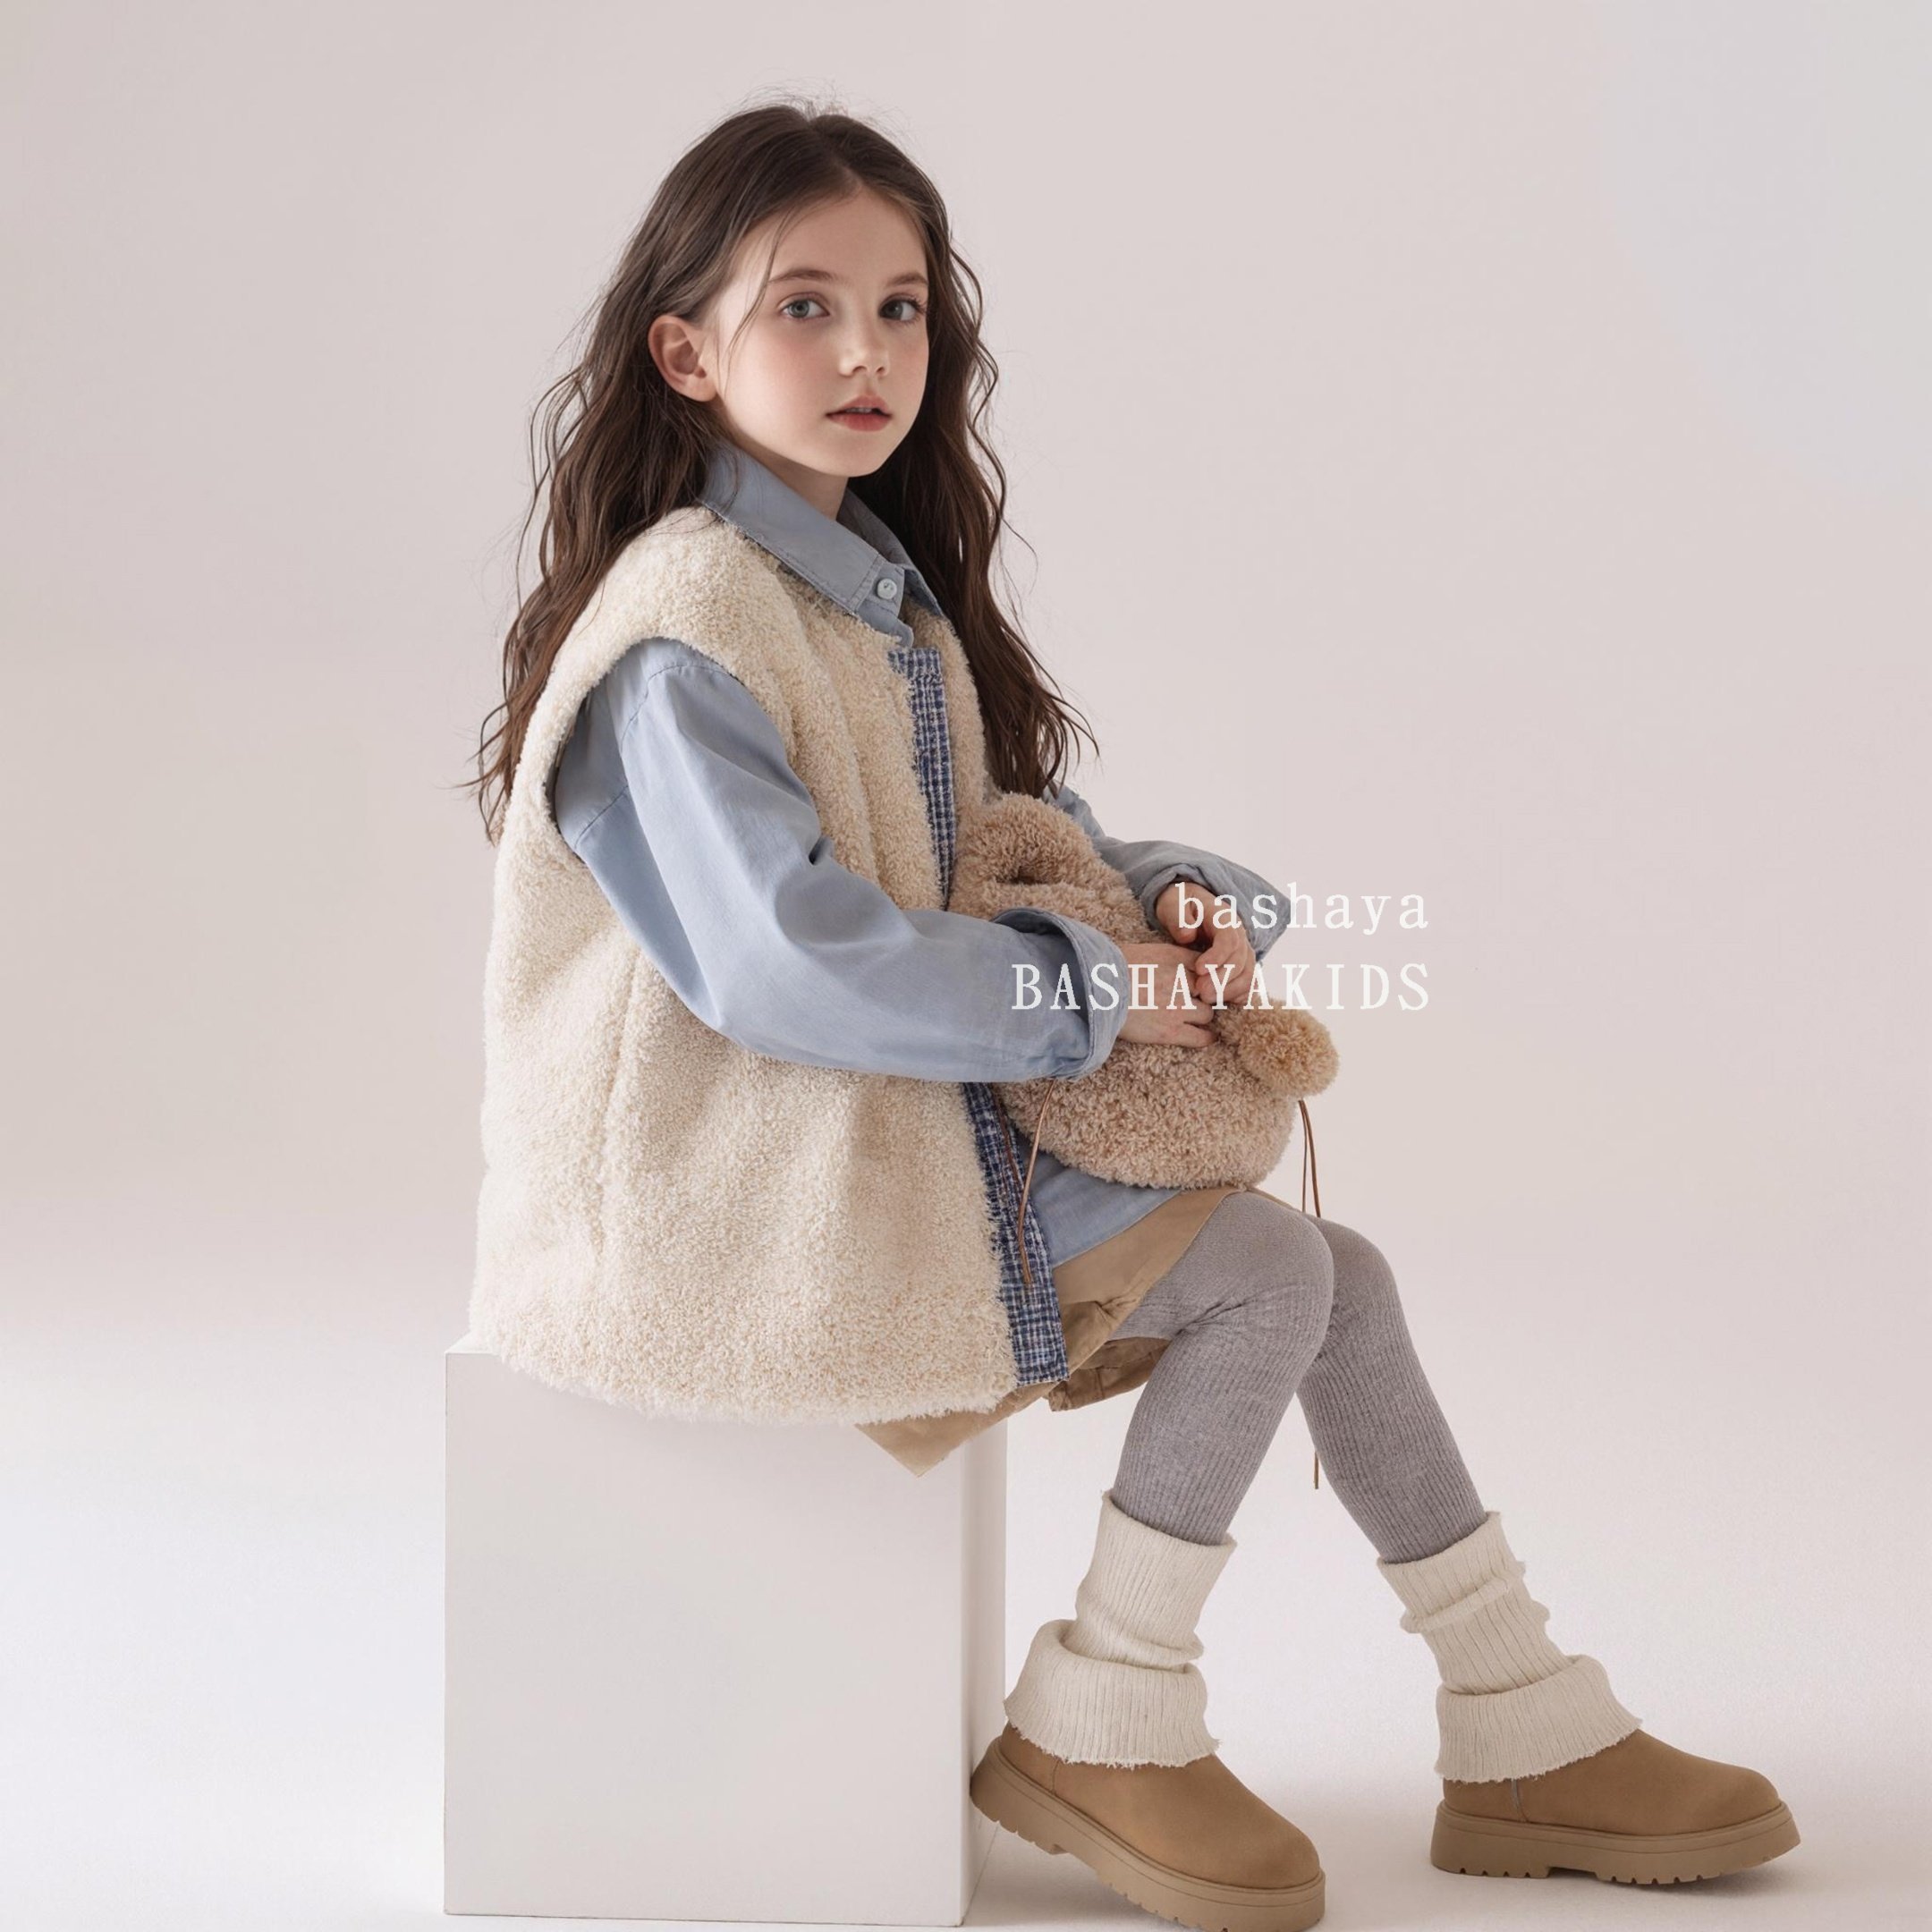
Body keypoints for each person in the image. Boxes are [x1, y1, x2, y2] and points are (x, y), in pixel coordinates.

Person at [465, 100, 1797, 1932]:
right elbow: (785, 964)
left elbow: (987, 842)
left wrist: (1179, 904)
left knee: (1339, 1275)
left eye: (903, 308)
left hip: (867, 1130)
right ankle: (1108, 1710)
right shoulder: (688, 623)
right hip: (733, 1192)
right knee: (1269, 1271)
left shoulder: (862, 596)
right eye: (806, 308)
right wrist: (1091, 996)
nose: (866, 356)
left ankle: (1520, 1718)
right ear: (685, 353)